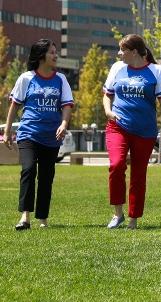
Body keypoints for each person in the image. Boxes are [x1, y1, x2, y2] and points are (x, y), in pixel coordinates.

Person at [101, 34, 161, 229]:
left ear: (134, 52)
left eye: (122, 50)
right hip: (118, 126)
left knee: (138, 175)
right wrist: (108, 111)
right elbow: (107, 96)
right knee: (116, 165)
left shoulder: (156, 71)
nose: (119, 53)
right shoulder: (117, 68)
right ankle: (118, 214)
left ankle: (133, 218)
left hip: (145, 131)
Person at [3, 39, 74, 230]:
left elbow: (66, 105)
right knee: (28, 169)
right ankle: (25, 217)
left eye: (55, 52)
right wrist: (8, 131)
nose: (55, 55)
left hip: (52, 136)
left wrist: (64, 123)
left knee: (46, 175)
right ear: (41, 55)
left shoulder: (61, 79)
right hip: (28, 133)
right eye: (52, 52)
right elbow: (14, 105)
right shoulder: (26, 78)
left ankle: (42, 218)